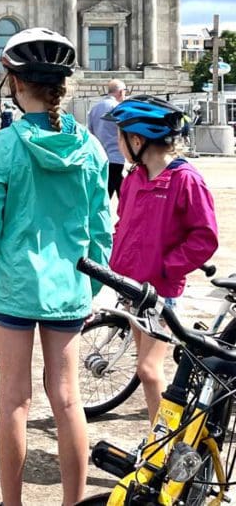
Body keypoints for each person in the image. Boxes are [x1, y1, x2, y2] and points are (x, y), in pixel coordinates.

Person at [0, 28, 112, 506]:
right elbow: (101, 228)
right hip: (68, 286)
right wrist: (89, 288)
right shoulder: (89, 147)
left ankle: (12, 504)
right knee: (67, 399)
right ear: (61, 86)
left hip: (13, 285)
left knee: (15, 398)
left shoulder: (4, 146)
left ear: (13, 81)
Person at [104, 95, 218, 422]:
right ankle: (159, 440)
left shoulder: (185, 179)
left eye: (120, 136)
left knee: (149, 369)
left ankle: (163, 445)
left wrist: (167, 268)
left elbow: (204, 238)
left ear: (137, 140)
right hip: (132, 287)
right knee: (145, 368)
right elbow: (124, 224)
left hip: (159, 293)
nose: (118, 143)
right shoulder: (135, 178)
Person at [87, 79, 127, 199]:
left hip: (100, 155)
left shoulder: (95, 108)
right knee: (112, 190)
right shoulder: (119, 108)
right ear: (120, 92)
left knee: (113, 186)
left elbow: (91, 131)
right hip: (116, 155)